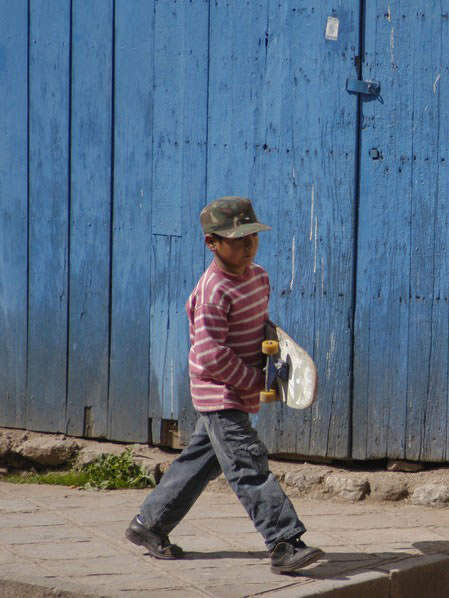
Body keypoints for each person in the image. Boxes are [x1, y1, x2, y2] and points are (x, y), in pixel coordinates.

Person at [125, 196, 323, 574]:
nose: (248, 244)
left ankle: (148, 525)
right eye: (237, 239)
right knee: (249, 463)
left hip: (239, 390)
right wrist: (252, 380)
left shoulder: (259, 277)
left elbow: (261, 331)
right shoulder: (213, 290)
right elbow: (211, 354)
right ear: (211, 243)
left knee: (200, 463)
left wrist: (276, 362)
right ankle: (284, 542)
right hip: (219, 392)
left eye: (252, 235)